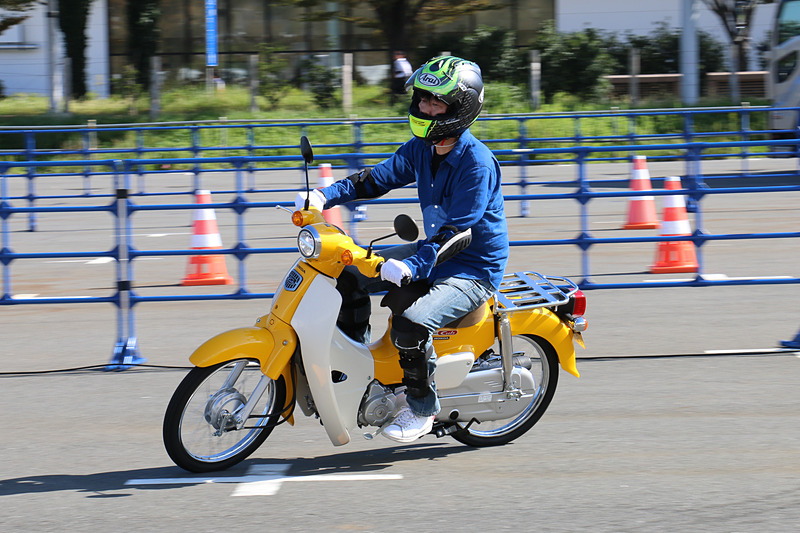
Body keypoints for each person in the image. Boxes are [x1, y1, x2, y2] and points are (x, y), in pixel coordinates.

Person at [294, 55, 509, 443]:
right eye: (423, 99)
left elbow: (456, 233)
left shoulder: (476, 163)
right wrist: (323, 195)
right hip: (433, 253)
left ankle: (422, 408)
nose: (425, 108)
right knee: (344, 274)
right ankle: (354, 366)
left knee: (410, 324)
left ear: (460, 108)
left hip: (470, 270)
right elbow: (374, 179)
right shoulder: (421, 148)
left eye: (436, 102)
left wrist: (412, 266)